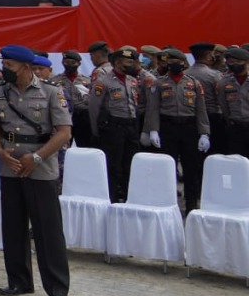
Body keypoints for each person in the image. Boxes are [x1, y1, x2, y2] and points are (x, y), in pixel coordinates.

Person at [0, 44, 72, 296]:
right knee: (13, 227)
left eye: (9, 66)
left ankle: (57, 288)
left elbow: (63, 133)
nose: (4, 69)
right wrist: (1, 153)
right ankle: (19, 281)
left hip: (41, 168)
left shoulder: (50, 92)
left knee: (47, 230)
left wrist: (36, 158)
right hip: (11, 166)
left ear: (25, 67)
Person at [144, 47, 210, 214]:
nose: (174, 65)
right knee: (167, 168)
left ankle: (191, 205)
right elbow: (153, 108)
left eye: (177, 62)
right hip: (168, 127)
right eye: (170, 62)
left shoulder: (193, 83)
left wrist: (204, 133)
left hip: (189, 128)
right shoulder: (159, 83)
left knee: (191, 168)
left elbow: (201, 110)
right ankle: (168, 204)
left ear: (183, 63)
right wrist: (153, 130)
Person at [87, 46, 144, 203]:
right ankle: (111, 198)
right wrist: (95, 131)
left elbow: (135, 104)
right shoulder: (103, 81)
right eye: (128, 60)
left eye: (132, 60)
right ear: (118, 62)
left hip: (130, 126)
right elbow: (94, 107)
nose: (131, 63)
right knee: (113, 166)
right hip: (113, 127)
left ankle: (128, 197)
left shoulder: (132, 81)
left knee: (130, 164)